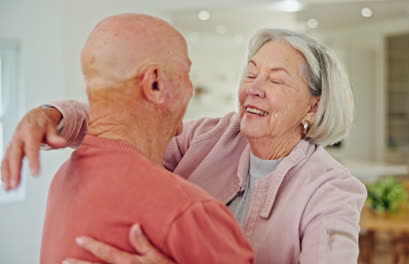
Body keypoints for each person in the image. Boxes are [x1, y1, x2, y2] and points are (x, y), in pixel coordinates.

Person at [2, 28, 367, 264]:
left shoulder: (332, 190)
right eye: (251, 73)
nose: (253, 87)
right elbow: (129, 127)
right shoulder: (215, 135)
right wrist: (51, 116)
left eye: (276, 80)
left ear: (313, 106)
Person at [37, 13, 254, 264]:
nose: (191, 89)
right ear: (155, 85)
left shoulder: (66, 177)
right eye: (185, 73)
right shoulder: (189, 212)